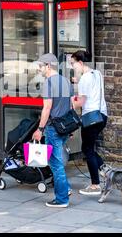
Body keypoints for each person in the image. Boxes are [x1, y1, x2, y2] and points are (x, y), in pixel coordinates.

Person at [32, 53, 72, 208]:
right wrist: (69, 127)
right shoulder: (66, 81)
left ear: (48, 66)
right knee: (58, 160)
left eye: (40, 66)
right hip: (64, 127)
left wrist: (40, 129)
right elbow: (70, 105)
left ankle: (62, 199)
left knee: (55, 163)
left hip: (52, 128)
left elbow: (47, 108)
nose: (39, 69)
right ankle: (66, 189)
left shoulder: (49, 83)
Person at [70, 50, 108, 196]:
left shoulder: (85, 78)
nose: (73, 67)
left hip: (91, 118)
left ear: (80, 63)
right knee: (89, 149)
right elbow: (92, 89)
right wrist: (78, 81)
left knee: (87, 150)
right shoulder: (96, 73)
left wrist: (70, 102)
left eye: (73, 64)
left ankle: (95, 185)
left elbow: (81, 102)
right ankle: (105, 171)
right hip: (102, 116)